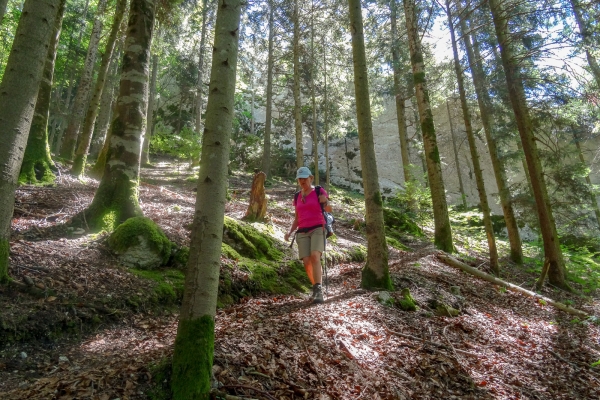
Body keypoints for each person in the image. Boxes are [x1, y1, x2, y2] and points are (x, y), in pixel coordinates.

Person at [284, 167, 331, 304]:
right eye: (300, 178)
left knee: (315, 256)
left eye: (305, 178)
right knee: (306, 261)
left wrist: (326, 201)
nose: (302, 181)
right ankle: (315, 288)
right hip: (302, 231)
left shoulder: (318, 191)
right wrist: (290, 231)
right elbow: (297, 218)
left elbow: (329, 209)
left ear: (311, 178)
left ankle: (318, 290)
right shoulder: (297, 196)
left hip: (318, 228)